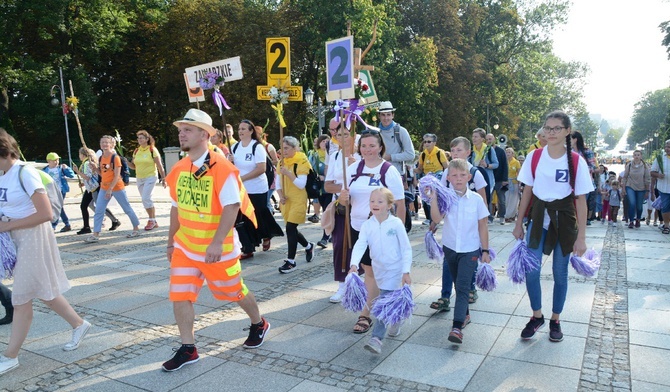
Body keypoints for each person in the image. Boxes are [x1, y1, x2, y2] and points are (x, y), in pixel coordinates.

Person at [162, 109, 269, 372]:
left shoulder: (222, 168)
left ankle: (259, 323)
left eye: (187, 129)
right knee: (180, 295)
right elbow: (176, 207)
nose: (181, 133)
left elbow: (232, 206)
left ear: (204, 134)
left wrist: (217, 243)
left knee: (234, 291)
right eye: (180, 129)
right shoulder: (179, 168)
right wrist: (170, 242)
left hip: (216, 248)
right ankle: (189, 348)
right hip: (186, 246)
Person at [0, 128, 92, 375]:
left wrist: (7, 225)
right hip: (16, 237)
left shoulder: (24, 172)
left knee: (21, 299)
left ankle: (10, 356)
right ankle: (79, 324)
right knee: (42, 290)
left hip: (33, 236)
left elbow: (46, 214)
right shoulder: (4, 174)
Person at [513, 111, 594, 342]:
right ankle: (536, 315)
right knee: (532, 271)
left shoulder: (576, 160)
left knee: (560, 273)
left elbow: (580, 200)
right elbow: (527, 191)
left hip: (565, 221)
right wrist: (519, 223)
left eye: (557, 128)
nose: (551, 132)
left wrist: (581, 238)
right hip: (539, 219)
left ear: (568, 131)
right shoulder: (535, 156)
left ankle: (555, 319)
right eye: (547, 128)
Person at [338, 130, 405, 333]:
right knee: (370, 270)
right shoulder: (352, 169)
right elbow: (344, 200)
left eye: (372, 145)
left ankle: (373, 312)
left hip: (384, 230)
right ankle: (370, 312)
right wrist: (343, 199)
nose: (367, 150)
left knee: (383, 272)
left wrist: (399, 233)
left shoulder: (388, 171)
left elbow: (400, 204)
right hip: (358, 228)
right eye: (364, 146)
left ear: (380, 147)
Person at [429, 159, 490, 344]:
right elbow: (437, 218)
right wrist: (433, 199)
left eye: (462, 175)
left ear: (469, 177)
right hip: (450, 248)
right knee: (458, 283)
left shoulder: (477, 200)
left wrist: (485, 250)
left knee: (463, 286)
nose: (458, 179)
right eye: (454, 175)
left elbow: (483, 225)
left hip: (470, 249)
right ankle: (466, 314)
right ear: (448, 178)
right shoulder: (445, 196)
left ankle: (456, 327)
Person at [349, 187, 412, 354]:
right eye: (372, 201)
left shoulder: (396, 224)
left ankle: (376, 338)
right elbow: (360, 244)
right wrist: (354, 264)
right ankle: (396, 319)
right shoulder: (367, 225)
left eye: (379, 201)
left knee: (384, 301)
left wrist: (406, 271)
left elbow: (406, 249)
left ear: (389, 205)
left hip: (394, 270)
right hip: (378, 270)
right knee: (388, 302)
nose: (374, 204)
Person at [431, 137, 488, 311]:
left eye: (459, 150)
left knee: (468, 261)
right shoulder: (448, 173)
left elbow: (482, 200)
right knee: (449, 263)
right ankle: (445, 295)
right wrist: (434, 222)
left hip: (471, 224)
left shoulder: (475, 173)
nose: (455, 153)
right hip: (452, 229)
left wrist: (482, 227)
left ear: (468, 152)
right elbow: (440, 197)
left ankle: (470, 288)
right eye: (453, 150)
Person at [228, 120, 283, 259]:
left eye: (244, 129)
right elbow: (230, 167)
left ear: (251, 131)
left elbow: (261, 169)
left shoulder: (257, 147)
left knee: (259, 213)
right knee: (242, 217)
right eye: (239, 128)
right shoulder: (234, 147)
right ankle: (248, 247)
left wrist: (243, 178)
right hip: (241, 189)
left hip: (257, 188)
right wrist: (229, 160)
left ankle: (266, 234)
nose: (240, 131)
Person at [324, 126, 360, 302]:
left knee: (358, 243)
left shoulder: (360, 156)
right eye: (339, 134)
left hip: (360, 206)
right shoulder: (335, 156)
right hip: (341, 206)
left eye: (346, 134)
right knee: (340, 245)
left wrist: (355, 169)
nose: (342, 137)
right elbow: (328, 185)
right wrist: (343, 189)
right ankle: (341, 284)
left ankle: (360, 281)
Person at [83, 135, 141, 242]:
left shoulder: (115, 157)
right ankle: (96, 234)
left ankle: (136, 228)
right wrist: (95, 169)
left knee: (126, 208)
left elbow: (117, 175)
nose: (104, 144)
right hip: (104, 187)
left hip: (117, 187)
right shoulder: (101, 158)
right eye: (102, 142)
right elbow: (103, 174)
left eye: (106, 142)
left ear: (111, 144)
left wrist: (110, 189)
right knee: (99, 210)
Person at [276, 136, 315, 273]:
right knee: (291, 228)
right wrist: (280, 196)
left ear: (295, 148)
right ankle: (308, 245)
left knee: (290, 228)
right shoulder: (281, 162)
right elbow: (278, 183)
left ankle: (291, 261)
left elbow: (301, 184)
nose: (283, 151)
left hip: (298, 199)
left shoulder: (301, 161)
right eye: (282, 148)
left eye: (286, 148)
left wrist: (288, 174)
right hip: (286, 200)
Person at [71, 147, 120, 235]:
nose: (79, 156)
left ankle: (113, 220)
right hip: (91, 187)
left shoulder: (87, 163)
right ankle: (87, 226)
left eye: (80, 154)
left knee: (96, 205)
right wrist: (83, 184)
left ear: (83, 155)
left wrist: (77, 171)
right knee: (86, 205)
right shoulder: (88, 162)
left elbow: (88, 177)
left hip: (94, 188)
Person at [127, 130, 167, 231]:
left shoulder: (152, 149)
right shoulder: (136, 151)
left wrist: (164, 178)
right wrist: (126, 162)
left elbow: (159, 165)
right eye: (138, 138)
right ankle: (153, 220)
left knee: (146, 198)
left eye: (141, 138)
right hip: (139, 178)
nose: (139, 140)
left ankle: (151, 220)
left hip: (151, 177)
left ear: (147, 139)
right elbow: (134, 166)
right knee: (146, 200)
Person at [415, 133, 448, 225]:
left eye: (429, 141)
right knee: (425, 196)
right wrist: (410, 168)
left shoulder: (439, 153)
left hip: (437, 177)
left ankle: (436, 217)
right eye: (425, 142)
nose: (426, 144)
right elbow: (420, 169)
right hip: (426, 178)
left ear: (434, 143)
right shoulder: (423, 154)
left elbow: (446, 167)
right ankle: (428, 218)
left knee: (434, 198)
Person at [377, 101, 415, 178]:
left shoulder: (401, 131)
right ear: (379, 116)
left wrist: (390, 157)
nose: (386, 118)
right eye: (383, 115)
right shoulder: (375, 132)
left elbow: (411, 154)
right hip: (378, 173)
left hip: (396, 173)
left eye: (388, 114)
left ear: (393, 115)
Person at [570, 131, 600, 225]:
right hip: (570, 182)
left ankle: (581, 222)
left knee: (581, 203)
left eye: (570, 138)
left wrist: (581, 169)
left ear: (575, 139)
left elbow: (593, 167)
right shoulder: (568, 151)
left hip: (584, 181)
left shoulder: (587, 151)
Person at [42, 152, 75, 232]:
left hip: (60, 190)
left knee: (58, 207)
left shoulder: (60, 168)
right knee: (56, 207)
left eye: (57, 160)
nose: (57, 162)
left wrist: (66, 169)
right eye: (54, 160)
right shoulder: (45, 170)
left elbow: (71, 175)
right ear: (49, 161)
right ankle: (65, 224)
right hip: (50, 191)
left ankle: (55, 225)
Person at [468, 128, 498, 217]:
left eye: (476, 137)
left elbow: (496, 164)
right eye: (473, 136)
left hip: (487, 178)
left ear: (482, 139)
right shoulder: (471, 150)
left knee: (486, 197)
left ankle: (487, 216)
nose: (474, 139)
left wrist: (487, 165)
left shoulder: (488, 149)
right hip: (475, 177)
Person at [622, 150, 651, 229]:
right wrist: (623, 188)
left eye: (638, 155)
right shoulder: (629, 165)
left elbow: (647, 179)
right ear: (633, 156)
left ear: (641, 156)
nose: (636, 156)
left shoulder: (645, 166)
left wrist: (647, 190)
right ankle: (631, 221)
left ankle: (638, 219)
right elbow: (625, 177)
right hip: (630, 186)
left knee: (639, 206)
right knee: (632, 203)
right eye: (635, 155)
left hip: (641, 188)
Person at [308, 135, 331, 225]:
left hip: (330, 187)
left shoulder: (333, 154)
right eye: (323, 141)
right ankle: (317, 215)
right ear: (319, 143)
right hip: (319, 187)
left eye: (327, 141)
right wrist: (317, 176)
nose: (325, 143)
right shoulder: (314, 155)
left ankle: (327, 234)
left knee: (327, 210)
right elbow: (310, 169)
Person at [486, 133, 509, 224]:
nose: (489, 141)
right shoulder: (485, 150)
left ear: (494, 139)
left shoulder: (500, 151)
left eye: (490, 139)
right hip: (489, 179)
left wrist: (505, 179)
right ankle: (489, 217)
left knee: (501, 200)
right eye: (487, 139)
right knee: (489, 199)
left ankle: (502, 216)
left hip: (500, 179)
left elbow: (505, 165)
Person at [650, 139, 670, 234]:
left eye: (669, 147)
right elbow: (652, 172)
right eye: (666, 146)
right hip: (664, 188)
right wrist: (658, 175)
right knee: (665, 207)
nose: (667, 148)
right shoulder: (660, 158)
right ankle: (666, 225)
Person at [504, 147, 521, 222]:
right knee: (506, 199)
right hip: (506, 183)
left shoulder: (516, 162)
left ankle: (511, 215)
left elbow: (519, 173)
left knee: (514, 200)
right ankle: (506, 214)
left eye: (509, 152)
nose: (507, 154)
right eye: (506, 152)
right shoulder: (504, 161)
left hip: (514, 182)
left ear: (513, 154)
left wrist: (520, 183)